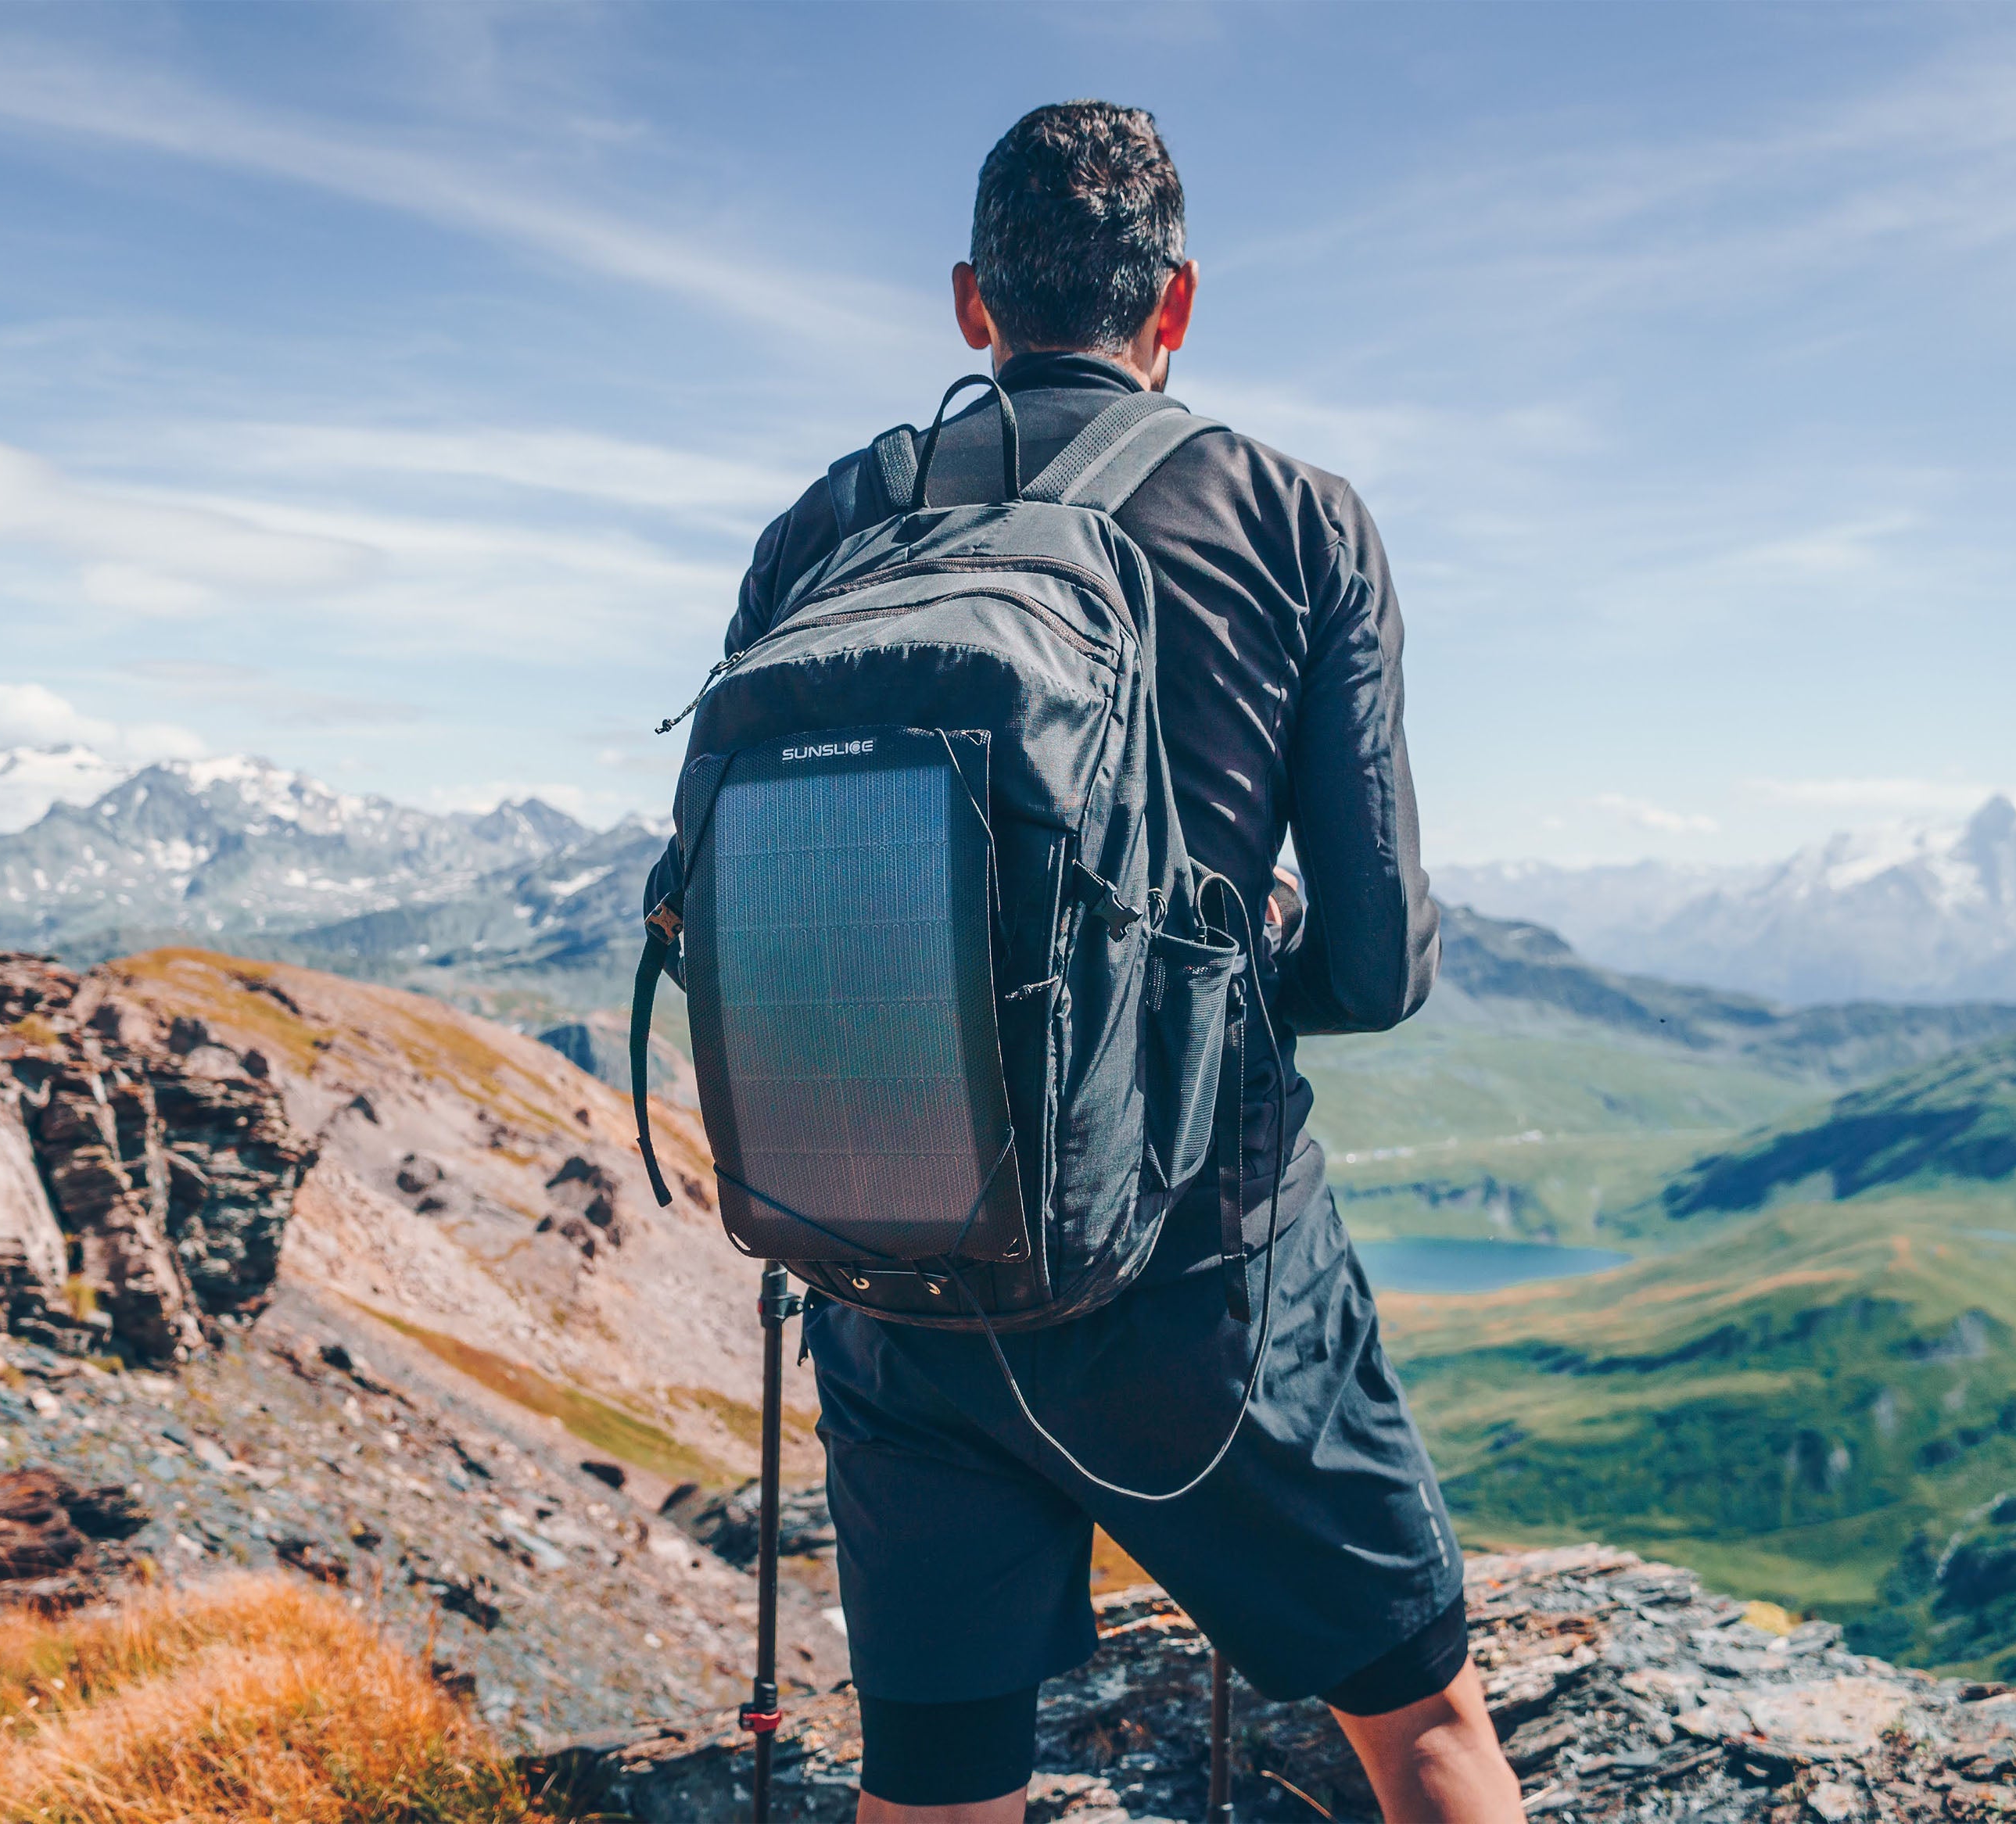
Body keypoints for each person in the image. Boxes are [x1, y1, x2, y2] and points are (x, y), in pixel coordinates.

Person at [717, 102, 1521, 1822]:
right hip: (1198, 1282)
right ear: (1179, 303)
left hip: (893, 1274)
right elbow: (1377, 966)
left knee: (935, 1784)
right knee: (1425, 1727)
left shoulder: (826, 526)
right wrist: (1212, 977)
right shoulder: (1291, 518)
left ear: (970, 303)